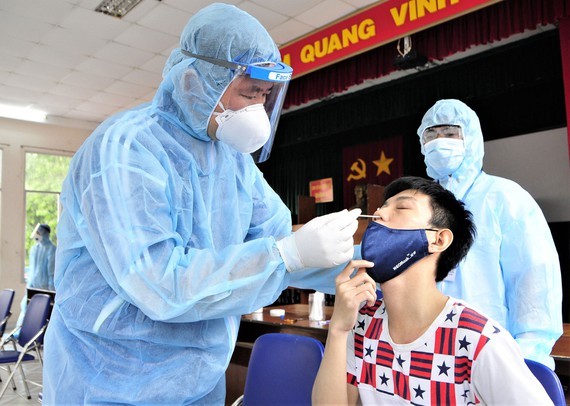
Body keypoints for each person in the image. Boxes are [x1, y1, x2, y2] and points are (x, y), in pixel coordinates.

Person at [42, 4, 360, 404]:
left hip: (201, 381)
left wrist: (377, 263)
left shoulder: (233, 162)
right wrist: (288, 255)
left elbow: (282, 243)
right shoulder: (126, 151)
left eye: (264, 96)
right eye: (248, 93)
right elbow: (159, 282)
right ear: (194, 83)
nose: (256, 111)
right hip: (112, 380)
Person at [312, 176, 553, 405]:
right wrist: (338, 329)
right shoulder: (363, 322)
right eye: (381, 208)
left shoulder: (478, 340)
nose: (378, 213)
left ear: (438, 240)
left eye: (402, 208)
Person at [416, 99, 562, 369]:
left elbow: (533, 281)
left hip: (493, 354)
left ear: (471, 137)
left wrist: (527, 359)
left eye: (450, 133)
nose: (439, 141)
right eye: (431, 134)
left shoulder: (505, 197)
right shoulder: (418, 205)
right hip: (427, 354)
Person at [16, 223, 56, 327]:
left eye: (39, 233)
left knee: (43, 313)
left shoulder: (51, 249)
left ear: (45, 233)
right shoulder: (34, 249)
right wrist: (29, 285)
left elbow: (51, 271)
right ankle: (21, 331)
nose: (37, 235)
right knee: (27, 308)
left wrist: (51, 289)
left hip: (45, 287)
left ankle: (39, 337)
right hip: (32, 286)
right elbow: (32, 269)